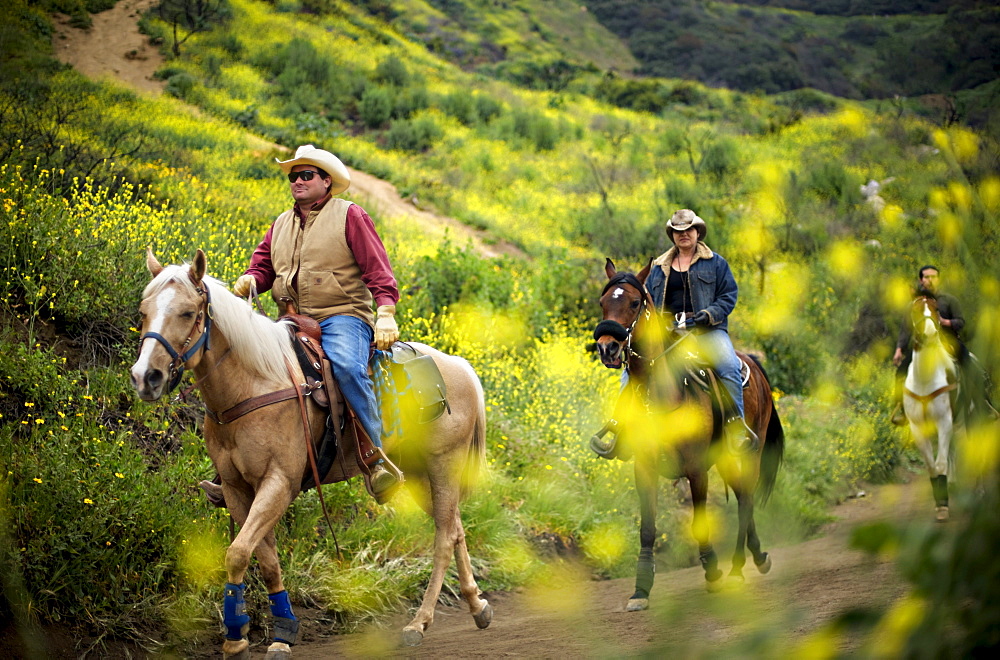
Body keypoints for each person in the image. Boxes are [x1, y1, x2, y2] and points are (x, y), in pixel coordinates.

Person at [203, 144, 401, 503]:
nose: (297, 180)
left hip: (342, 316)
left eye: (306, 174)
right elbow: (262, 266)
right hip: (291, 319)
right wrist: (250, 279)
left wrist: (386, 313)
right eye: (293, 175)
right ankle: (231, 470)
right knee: (247, 369)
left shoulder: (350, 216)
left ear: (327, 181)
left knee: (346, 367)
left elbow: (378, 271)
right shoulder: (281, 223)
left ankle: (376, 459)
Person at [645, 209, 758, 454]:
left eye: (688, 230)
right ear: (672, 235)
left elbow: (728, 296)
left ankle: (736, 427)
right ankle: (622, 429)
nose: (683, 235)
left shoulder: (716, 263)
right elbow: (648, 303)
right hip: (668, 334)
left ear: (697, 232)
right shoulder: (658, 267)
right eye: (678, 231)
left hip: (707, 331)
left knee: (728, 366)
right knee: (634, 368)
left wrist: (706, 316)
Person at [891, 265, 996, 424]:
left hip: (949, 343)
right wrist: (899, 349)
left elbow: (961, 322)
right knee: (901, 372)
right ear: (921, 280)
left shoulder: (949, 300)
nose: (930, 280)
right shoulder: (913, 304)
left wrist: (945, 322)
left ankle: (984, 405)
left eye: (933, 277)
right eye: (926, 277)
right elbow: (906, 329)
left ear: (938, 279)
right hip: (923, 346)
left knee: (972, 368)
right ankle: (903, 410)